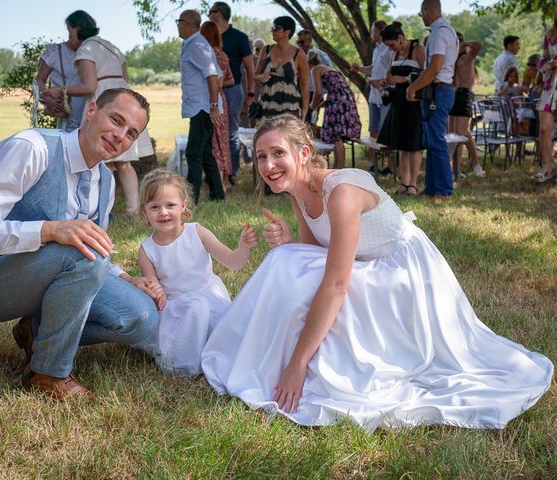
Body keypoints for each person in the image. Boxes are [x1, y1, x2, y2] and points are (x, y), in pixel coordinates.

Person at [201, 114, 553, 431]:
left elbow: (337, 283)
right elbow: (315, 254)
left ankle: (302, 361)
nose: (268, 164)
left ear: (304, 153)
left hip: (399, 272)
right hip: (359, 263)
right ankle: (257, 353)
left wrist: (299, 364)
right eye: (261, 156)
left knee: (305, 277)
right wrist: (291, 240)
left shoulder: (341, 192)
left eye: (278, 153)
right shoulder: (298, 192)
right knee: (283, 260)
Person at [0, 88, 161, 400]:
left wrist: (128, 279)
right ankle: (48, 372)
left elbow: (92, 249)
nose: (120, 136)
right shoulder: (33, 148)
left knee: (141, 318)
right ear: (90, 111)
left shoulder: (105, 182)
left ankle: (36, 330)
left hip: (56, 270)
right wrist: (49, 230)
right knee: (77, 252)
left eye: (131, 133)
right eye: (116, 120)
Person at [135, 169, 258, 376]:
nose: (163, 212)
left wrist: (243, 247)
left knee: (228, 334)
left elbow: (232, 262)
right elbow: (151, 286)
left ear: (183, 205)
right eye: (154, 207)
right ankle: (183, 359)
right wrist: (156, 291)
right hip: (177, 307)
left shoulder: (197, 232)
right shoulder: (147, 250)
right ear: (144, 211)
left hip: (209, 298)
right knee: (194, 311)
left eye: (170, 205)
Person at [46, 11, 154, 218]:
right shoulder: (112, 47)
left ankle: (102, 210)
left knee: (102, 159)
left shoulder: (86, 49)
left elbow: (89, 85)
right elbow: (126, 78)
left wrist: (62, 90)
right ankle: (132, 208)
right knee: (123, 161)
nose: (69, 37)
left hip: (106, 97)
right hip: (122, 95)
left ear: (77, 29)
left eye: (70, 31)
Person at [407, 0, 459, 200]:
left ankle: (444, 190)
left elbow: (435, 67)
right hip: (439, 90)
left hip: (438, 90)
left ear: (427, 11)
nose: (423, 18)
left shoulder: (438, 33)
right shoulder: (448, 30)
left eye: (421, 14)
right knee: (431, 140)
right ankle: (431, 188)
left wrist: (414, 87)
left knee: (436, 141)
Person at [178, 10, 226, 204]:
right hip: (200, 106)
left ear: (188, 23)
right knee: (205, 152)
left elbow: (213, 76)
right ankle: (217, 195)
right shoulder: (196, 44)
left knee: (193, 153)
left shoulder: (197, 45)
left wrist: (213, 106)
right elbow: (217, 75)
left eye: (179, 22)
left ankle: (191, 199)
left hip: (203, 108)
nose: (178, 25)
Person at [209, 2, 255, 186]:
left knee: (231, 133)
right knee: (212, 133)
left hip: (232, 90)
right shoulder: (207, 37)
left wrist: (251, 92)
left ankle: (231, 173)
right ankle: (215, 172)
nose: (209, 15)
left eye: (211, 11)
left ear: (219, 14)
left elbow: (249, 68)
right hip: (211, 92)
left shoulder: (239, 37)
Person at [377, 22, 426, 195]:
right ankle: (404, 183)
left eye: (391, 45)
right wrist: (387, 80)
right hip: (398, 102)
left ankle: (413, 183)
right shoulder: (394, 55)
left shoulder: (418, 50)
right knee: (402, 145)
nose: (390, 49)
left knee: (414, 144)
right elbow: (390, 75)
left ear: (400, 38)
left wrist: (404, 79)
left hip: (413, 101)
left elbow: (426, 74)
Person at [351, 20, 393, 176]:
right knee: (373, 130)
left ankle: (390, 167)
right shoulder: (376, 50)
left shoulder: (389, 49)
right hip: (374, 97)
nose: (371, 34)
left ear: (380, 32)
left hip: (386, 96)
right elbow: (373, 69)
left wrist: (381, 82)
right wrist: (359, 69)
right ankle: (374, 165)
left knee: (386, 131)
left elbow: (392, 71)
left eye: (372, 31)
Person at [35, 13, 87, 132]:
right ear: (69, 29)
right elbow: (39, 80)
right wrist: (48, 100)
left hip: (91, 111)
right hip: (66, 114)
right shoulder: (55, 52)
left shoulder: (93, 52)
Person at [308, 52, 361, 168]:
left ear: (309, 65)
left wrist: (312, 105)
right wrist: (323, 103)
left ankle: (340, 167)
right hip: (347, 99)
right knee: (339, 135)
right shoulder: (331, 69)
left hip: (337, 100)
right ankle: (338, 165)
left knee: (336, 136)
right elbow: (337, 88)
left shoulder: (315, 70)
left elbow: (318, 92)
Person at [255, 16, 309, 122]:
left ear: (287, 32)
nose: (272, 31)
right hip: (267, 106)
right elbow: (255, 76)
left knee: (287, 138)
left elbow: (304, 85)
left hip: (290, 108)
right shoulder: (266, 50)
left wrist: (304, 111)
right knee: (267, 137)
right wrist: (260, 77)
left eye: (276, 28)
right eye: (272, 28)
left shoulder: (299, 54)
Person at [200, 21, 234, 189]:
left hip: (210, 98)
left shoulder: (206, 54)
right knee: (223, 141)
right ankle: (223, 180)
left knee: (213, 142)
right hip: (221, 98)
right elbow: (231, 79)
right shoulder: (224, 55)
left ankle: (218, 183)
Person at [448, 33, 485, 177]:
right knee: (453, 135)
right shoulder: (452, 59)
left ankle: (475, 164)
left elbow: (478, 44)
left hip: (464, 95)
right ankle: (455, 169)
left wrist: (464, 44)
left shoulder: (467, 58)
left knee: (462, 132)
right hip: (453, 95)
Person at [534, 4, 557, 183]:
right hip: (550, 86)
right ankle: (546, 168)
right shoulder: (549, 36)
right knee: (544, 129)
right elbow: (542, 60)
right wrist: (547, 66)